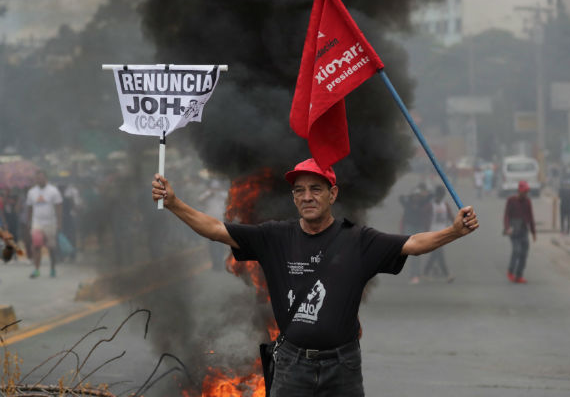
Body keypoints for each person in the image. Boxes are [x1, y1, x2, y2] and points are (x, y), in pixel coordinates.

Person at [151, 158, 479, 396]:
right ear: (293, 198)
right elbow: (215, 229)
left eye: (316, 189)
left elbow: (414, 244)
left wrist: (454, 231)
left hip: (343, 366)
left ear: (332, 195)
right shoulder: (274, 236)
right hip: (292, 365)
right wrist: (175, 202)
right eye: (300, 191)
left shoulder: (359, 239)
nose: (307, 197)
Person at [25, 170, 62, 278]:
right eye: (37, 178)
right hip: (37, 223)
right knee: (36, 245)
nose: (39, 180)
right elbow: (30, 208)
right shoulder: (31, 192)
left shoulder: (53, 191)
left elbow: (59, 206)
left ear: (46, 178)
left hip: (50, 223)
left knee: (51, 247)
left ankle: (52, 269)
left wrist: (59, 223)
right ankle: (36, 269)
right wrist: (29, 222)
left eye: (41, 177)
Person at [398, 183, 432, 284]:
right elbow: (400, 198)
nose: (416, 198)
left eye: (418, 196)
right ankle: (413, 274)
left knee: (417, 254)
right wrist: (410, 195)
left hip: (419, 228)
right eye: (415, 196)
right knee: (411, 253)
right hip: (409, 228)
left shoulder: (423, 203)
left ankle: (415, 274)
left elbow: (430, 196)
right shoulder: (407, 203)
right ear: (412, 196)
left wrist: (423, 195)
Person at [503, 180, 536, 284]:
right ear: (519, 191)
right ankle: (511, 271)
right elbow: (506, 215)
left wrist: (533, 232)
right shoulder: (511, 200)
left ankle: (519, 275)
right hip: (513, 230)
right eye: (524, 191)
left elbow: (531, 217)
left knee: (524, 253)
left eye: (526, 192)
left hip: (524, 230)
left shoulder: (528, 201)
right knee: (516, 250)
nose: (525, 194)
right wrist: (507, 227)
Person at [423, 185, 455, 282]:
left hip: (442, 232)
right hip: (432, 232)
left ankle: (426, 272)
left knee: (436, 254)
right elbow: (424, 217)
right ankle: (447, 275)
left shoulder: (445, 205)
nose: (440, 197)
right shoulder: (430, 205)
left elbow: (451, 217)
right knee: (438, 253)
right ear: (436, 195)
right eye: (439, 195)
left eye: (441, 195)